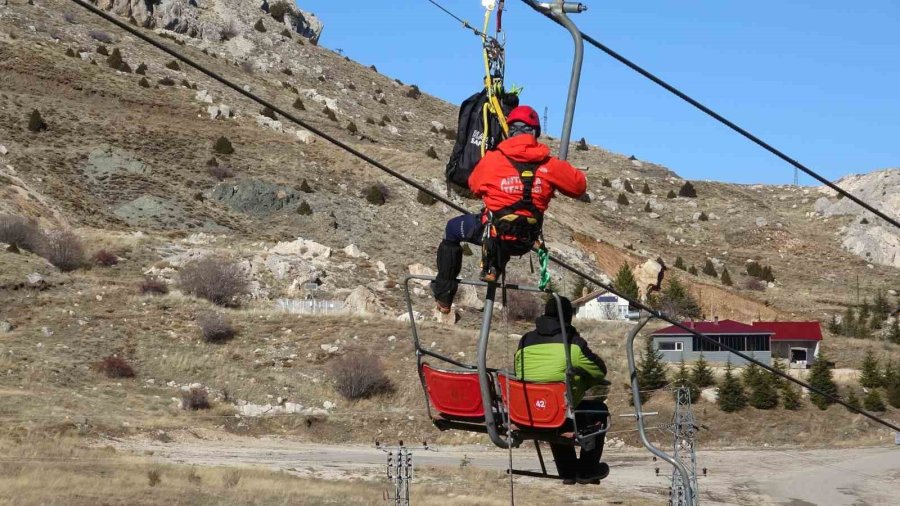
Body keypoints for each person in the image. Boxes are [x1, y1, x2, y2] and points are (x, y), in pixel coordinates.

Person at [431, 105, 587, 313]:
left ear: (510, 131)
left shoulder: (494, 159)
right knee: (504, 226)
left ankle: (444, 296)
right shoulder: (550, 165)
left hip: (496, 235)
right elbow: (579, 187)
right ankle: (494, 266)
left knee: (453, 229)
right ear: (535, 133)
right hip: (526, 240)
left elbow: (474, 186)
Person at [515, 296, 610, 485]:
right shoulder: (573, 345)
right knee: (596, 411)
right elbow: (599, 371)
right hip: (559, 414)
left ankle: (567, 471)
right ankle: (587, 469)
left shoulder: (525, 341)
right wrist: (583, 381)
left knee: (552, 408)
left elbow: (519, 371)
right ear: (568, 317)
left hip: (528, 414)